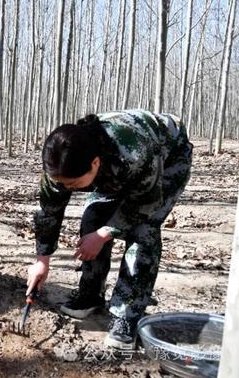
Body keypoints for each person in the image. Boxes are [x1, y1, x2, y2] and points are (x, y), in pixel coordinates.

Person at [26, 109, 193, 348]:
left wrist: (106, 233)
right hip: (114, 165)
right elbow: (49, 210)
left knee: (143, 232)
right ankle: (90, 294)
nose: (67, 188)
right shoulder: (59, 161)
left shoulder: (132, 152)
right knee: (93, 217)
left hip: (167, 155)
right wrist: (42, 259)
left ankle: (127, 315)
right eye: (62, 183)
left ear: (95, 163)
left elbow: (145, 202)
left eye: (73, 184)